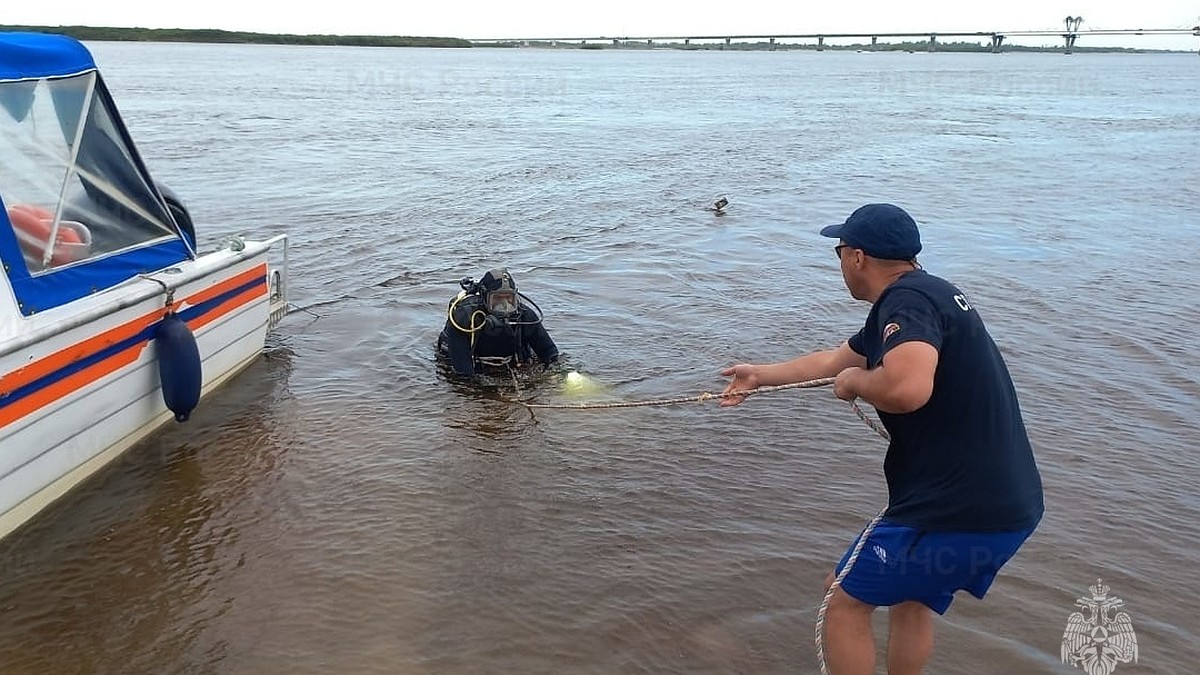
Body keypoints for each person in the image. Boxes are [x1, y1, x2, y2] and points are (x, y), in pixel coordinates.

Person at [720, 203, 1043, 675]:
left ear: (857, 257)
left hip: (955, 509)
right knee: (910, 602)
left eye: (839, 251)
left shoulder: (906, 303)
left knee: (843, 599)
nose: (839, 262)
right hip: (1009, 508)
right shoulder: (929, 294)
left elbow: (906, 388)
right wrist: (759, 376)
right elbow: (836, 360)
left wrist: (856, 384)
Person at [437, 267, 559, 378]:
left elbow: (550, 354)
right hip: (468, 359)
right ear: (485, 297)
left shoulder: (526, 316)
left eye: (509, 299)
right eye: (498, 299)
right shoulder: (465, 318)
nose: (505, 306)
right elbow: (462, 371)